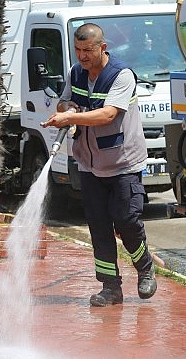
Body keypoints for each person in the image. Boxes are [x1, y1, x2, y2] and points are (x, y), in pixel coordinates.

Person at [42, 23, 156, 306]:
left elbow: (107, 115)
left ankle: (145, 268)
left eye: (87, 50)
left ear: (102, 48)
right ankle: (110, 288)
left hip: (122, 165)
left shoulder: (121, 75)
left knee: (127, 221)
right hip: (89, 165)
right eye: (78, 50)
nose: (82, 56)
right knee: (99, 226)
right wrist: (66, 110)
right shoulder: (76, 73)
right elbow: (64, 102)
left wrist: (70, 119)